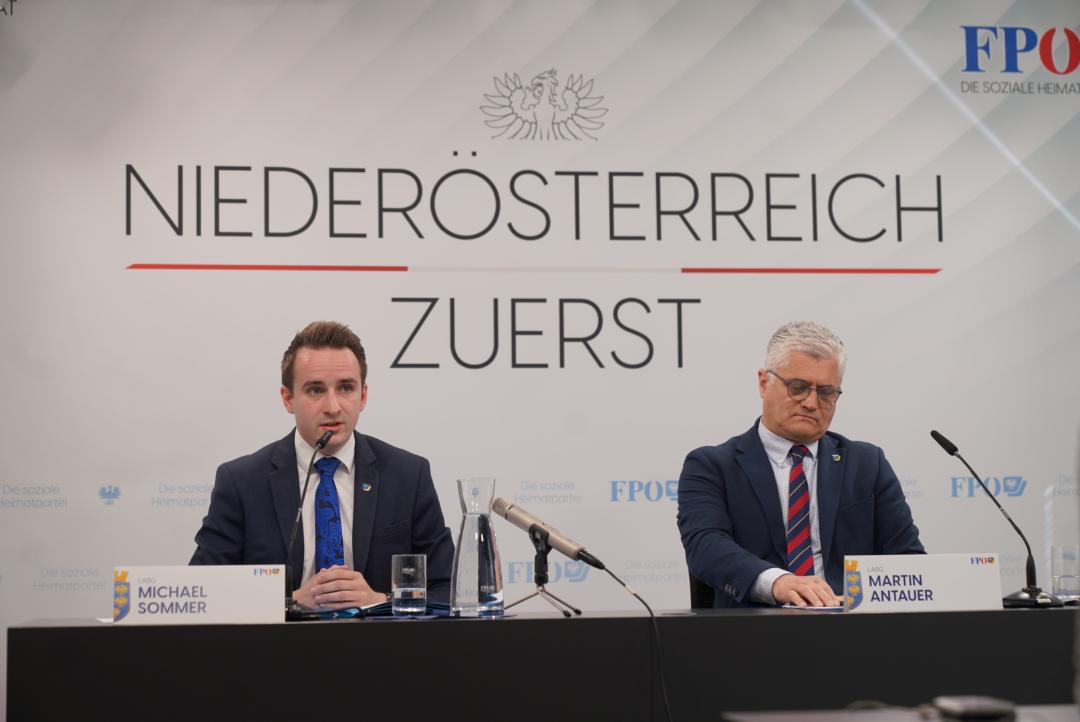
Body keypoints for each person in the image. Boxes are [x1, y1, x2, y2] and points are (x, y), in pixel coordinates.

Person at [191, 321, 455, 609]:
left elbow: (448, 590)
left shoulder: (408, 476)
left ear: (363, 396)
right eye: (315, 390)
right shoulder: (241, 482)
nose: (332, 406)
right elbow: (203, 594)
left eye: (346, 388)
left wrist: (382, 601)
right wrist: (289, 603)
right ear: (288, 398)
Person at [677, 321, 923, 608]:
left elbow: (908, 560)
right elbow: (706, 547)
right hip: (753, 626)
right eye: (798, 387)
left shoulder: (867, 464)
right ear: (763, 383)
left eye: (826, 392)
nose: (811, 402)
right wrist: (778, 583)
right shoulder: (711, 466)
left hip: (849, 624)